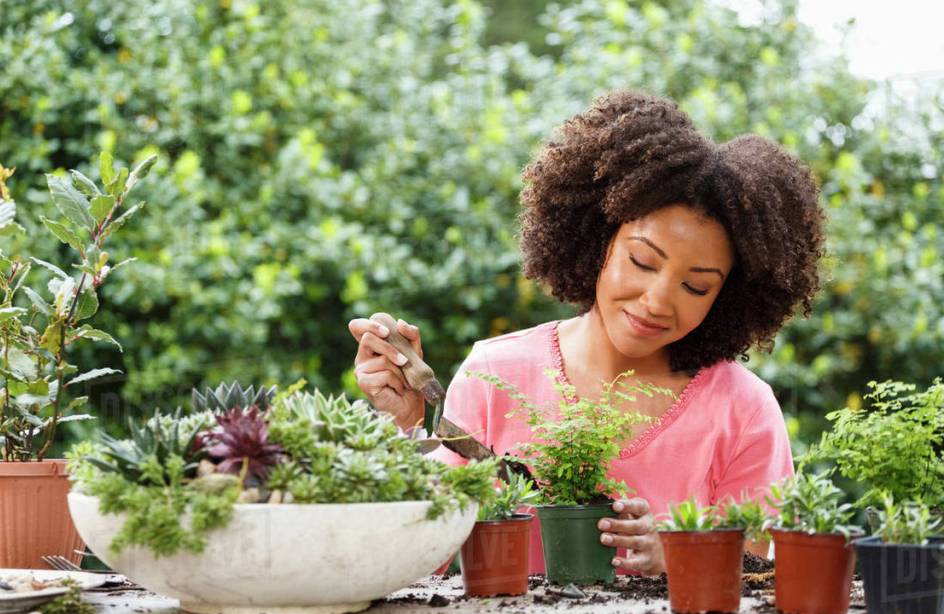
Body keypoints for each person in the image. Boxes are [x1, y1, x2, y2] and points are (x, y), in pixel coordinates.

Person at [348, 89, 824, 583]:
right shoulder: (494, 375)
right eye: (642, 261)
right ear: (600, 239)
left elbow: (763, 578)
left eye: (696, 286)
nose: (658, 301)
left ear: (726, 296)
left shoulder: (741, 409)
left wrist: (679, 554)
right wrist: (403, 425)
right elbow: (418, 562)